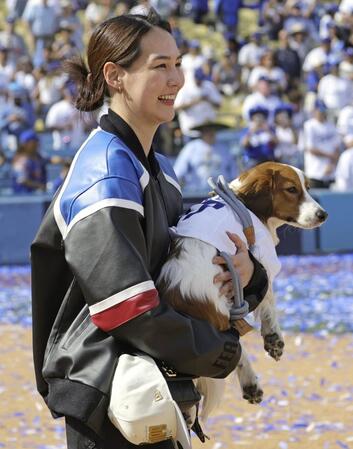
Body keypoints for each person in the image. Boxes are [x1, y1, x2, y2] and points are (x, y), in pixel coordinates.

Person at [30, 9, 269, 449]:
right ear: (115, 76)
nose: (176, 79)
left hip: (153, 389)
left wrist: (249, 275)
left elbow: (185, 268)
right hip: (111, 399)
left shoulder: (159, 169)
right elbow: (128, 308)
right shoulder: (105, 172)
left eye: (178, 64)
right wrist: (223, 350)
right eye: (160, 66)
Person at [173, 121, 237, 193]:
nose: (210, 133)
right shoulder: (191, 147)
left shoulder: (225, 149)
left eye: (212, 130)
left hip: (221, 194)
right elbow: (178, 172)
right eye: (207, 130)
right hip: (195, 194)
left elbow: (234, 173)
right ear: (202, 132)